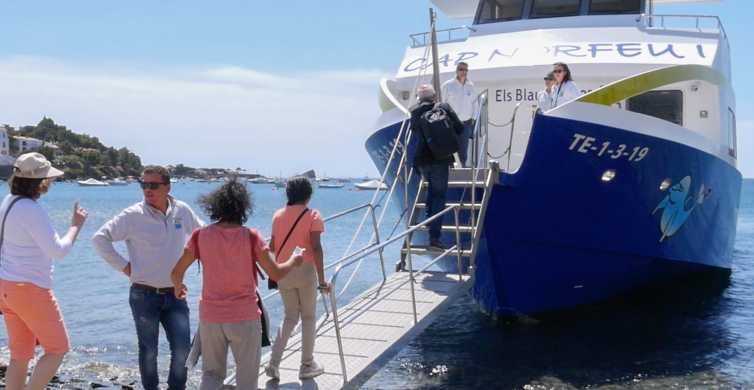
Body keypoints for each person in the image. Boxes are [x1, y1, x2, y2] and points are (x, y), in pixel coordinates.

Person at [171, 178, 303, 390]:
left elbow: (176, 273)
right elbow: (276, 273)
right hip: (244, 317)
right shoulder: (251, 237)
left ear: (214, 205)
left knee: (211, 375)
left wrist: (179, 287)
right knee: (247, 379)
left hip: (211, 317)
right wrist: (294, 261)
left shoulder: (199, 235)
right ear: (243, 207)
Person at [92, 165, 203, 390]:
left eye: (153, 185)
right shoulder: (133, 215)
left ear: (167, 187)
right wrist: (125, 267)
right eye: (144, 185)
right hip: (143, 295)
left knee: (183, 349)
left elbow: (203, 235)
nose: (147, 190)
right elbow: (99, 239)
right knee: (149, 351)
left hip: (175, 293)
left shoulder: (182, 210)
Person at [0, 153, 88, 390]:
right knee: (58, 349)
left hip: (7, 287)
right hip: (29, 289)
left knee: (20, 355)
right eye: (48, 179)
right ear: (40, 182)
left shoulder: (8, 202)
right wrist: (75, 226)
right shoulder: (30, 209)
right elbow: (58, 251)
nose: (50, 183)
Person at [265, 177, 330, 381]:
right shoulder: (314, 215)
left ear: (288, 194)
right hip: (305, 269)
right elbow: (316, 248)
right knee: (308, 317)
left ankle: (273, 365)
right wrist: (322, 280)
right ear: (308, 195)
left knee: (290, 317)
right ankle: (307, 365)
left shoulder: (277, 216)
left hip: (284, 270)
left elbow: (273, 247)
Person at [411, 84, 464, 250]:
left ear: (419, 98)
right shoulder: (444, 107)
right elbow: (460, 128)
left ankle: (429, 222)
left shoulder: (415, 111)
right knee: (439, 196)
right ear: (434, 96)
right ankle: (435, 237)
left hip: (423, 160)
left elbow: (414, 131)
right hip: (442, 159)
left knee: (431, 193)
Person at [441, 61, 478, 167]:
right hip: (451, 123)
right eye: (461, 69)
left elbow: (475, 103)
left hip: (465, 124)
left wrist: (473, 119)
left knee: (463, 150)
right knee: (450, 149)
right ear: (457, 70)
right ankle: (450, 170)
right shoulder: (448, 85)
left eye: (466, 70)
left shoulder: (470, 86)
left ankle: (462, 169)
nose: (464, 72)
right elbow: (442, 104)